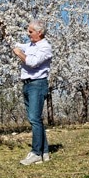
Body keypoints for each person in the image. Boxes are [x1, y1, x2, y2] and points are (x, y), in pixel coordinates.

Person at [12, 19, 53, 165]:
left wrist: (19, 53)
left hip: (37, 84)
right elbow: (17, 45)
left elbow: (32, 62)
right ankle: (45, 151)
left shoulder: (45, 47)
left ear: (39, 32)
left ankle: (36, 152)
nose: (28, 34)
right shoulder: (31, 45)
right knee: (35, 119)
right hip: (28, 84)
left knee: (34, 119)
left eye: (30, 31)